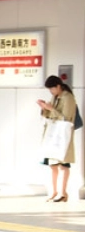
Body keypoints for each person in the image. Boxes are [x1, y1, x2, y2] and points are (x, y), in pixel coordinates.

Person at [37, 75, 77, 203]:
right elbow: (50, 114)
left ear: (58, 86)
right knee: (52, 164)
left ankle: (63, 192)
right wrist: (44, 108)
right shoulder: (55, 97)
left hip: (63, 135)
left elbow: (66, 118)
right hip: (53, 134)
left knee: (63, 164)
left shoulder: (68, 98)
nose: (51, 92)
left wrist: (51, 109)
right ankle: (54, 191)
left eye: (52, 89)